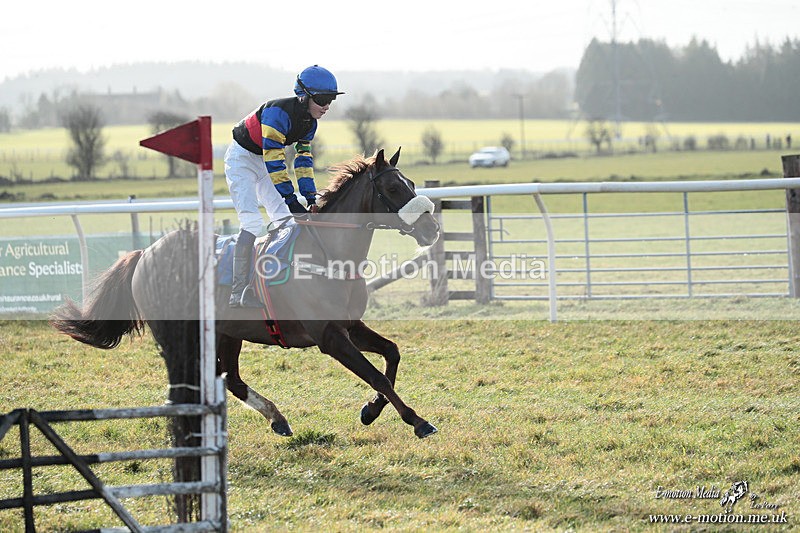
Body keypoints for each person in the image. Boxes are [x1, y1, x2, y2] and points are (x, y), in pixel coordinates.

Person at [225, 65, 344, 307]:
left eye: (331, 100)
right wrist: (291, 199)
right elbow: (275, 161)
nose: (326, 106)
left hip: (264, 161)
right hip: (242, 160)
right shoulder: (277, 113)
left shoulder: (310, 123)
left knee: (285, 221)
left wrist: (309, 197)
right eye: (322, 100)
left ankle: (278, 283)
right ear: (303, 96)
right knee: (252, 223)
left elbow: (303, 161)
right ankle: (238, 292)